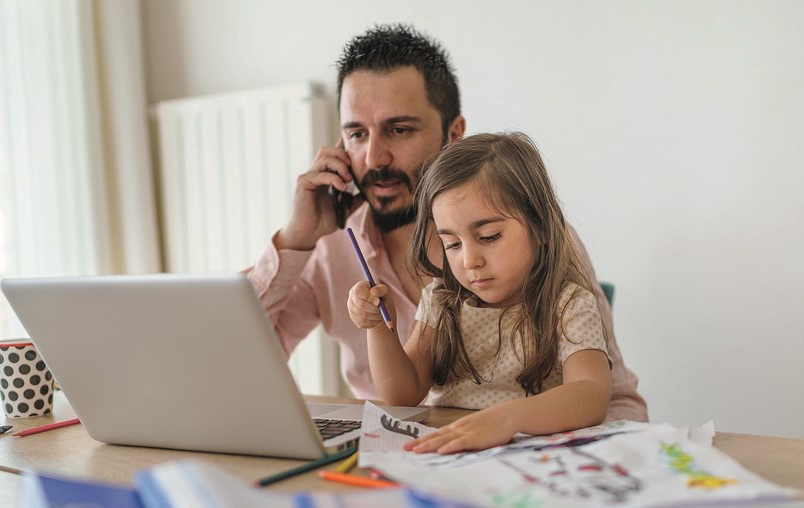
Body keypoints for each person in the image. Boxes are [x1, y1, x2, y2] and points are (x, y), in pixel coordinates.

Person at [244, 23, 647, 422]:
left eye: (398, 130)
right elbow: (234, 360)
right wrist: (296, 239)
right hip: (413, 454)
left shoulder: (547, 244)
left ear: (453, 134)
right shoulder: (331, 245)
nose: (374, 158)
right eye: (357, 134)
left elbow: (613, 400)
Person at [348, 132, 611, 453]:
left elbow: (591, 393)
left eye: (488, 236)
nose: (470, 260)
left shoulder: (567, 304)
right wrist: (378, 329)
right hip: (449, 453)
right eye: (453, 244)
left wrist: (507, 419)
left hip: (529, 457)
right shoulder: (441, 301)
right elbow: (402, 396)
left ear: (541, 227)